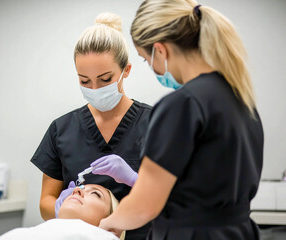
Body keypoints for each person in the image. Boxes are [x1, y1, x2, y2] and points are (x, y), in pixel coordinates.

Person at [99, 0, 264, 239]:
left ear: (161, 50)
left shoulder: (182, 105)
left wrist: (107, 223)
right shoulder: (241, 99)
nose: (152, 67)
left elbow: (144, 206)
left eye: (147, 59)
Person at [31, 12, 151, 239]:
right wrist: (61, 206)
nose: (94, 88)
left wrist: (135, 180)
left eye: (105, 79)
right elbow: (45, 202)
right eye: (84, 80)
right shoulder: (61, 130)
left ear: (126, 70)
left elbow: (179, 197)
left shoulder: (156, 125)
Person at [0, 184, 125, 240]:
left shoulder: (106, 236)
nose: (76, 191)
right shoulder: (35, 232)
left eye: (96, 194)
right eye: (80, 188)